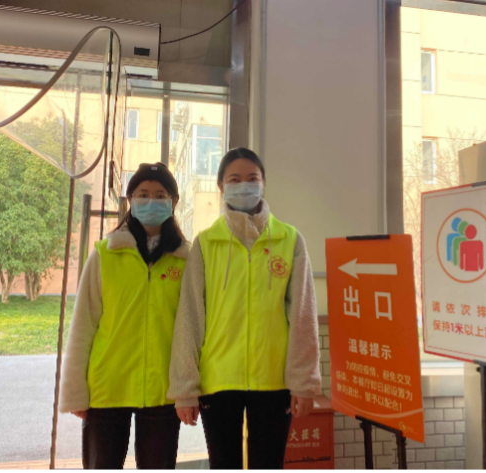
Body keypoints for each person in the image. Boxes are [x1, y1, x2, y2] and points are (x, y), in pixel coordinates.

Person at [168, 148, 322, 470]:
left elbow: (303, 316)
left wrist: (304, 382)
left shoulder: (289, 240)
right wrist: (185, 388)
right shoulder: (206, 243)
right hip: (218, 380)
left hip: (274, 381)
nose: (244, 186)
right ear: (221, 186)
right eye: (234, 179)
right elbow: (190, 317)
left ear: (263, 183)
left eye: (252, 178)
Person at [60, 163, 190, 471]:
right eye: (142, 194)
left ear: (173, 202)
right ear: (130, 200)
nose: (150, 201)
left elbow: (192, 330)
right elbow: (83, 325)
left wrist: (188, 388)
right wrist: (76, 391)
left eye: (160, 195)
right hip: (107, 387)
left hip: (162, 389)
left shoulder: (186, 259)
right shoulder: (105, 254)